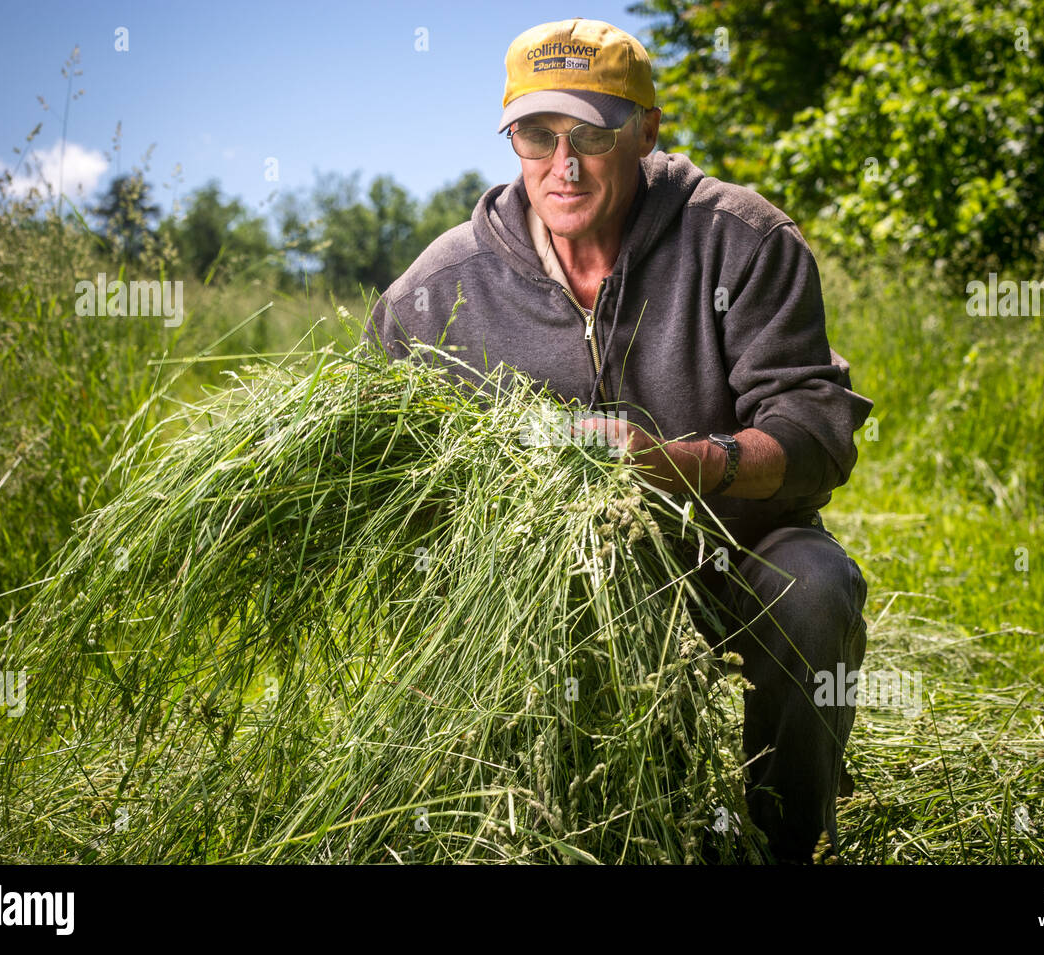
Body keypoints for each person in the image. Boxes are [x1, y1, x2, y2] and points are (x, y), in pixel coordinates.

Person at [364, 17, 875, 863]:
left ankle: (786, 838)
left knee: (815, 585)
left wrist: (682, 464)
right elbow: (383, 464)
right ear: (511, 134)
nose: (562, 166)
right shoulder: (442, 289)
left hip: (726, 552)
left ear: (646, 130)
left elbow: (815, 434)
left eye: (592, 136)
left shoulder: (742, 241)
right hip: (540, 584)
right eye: (536, 134)